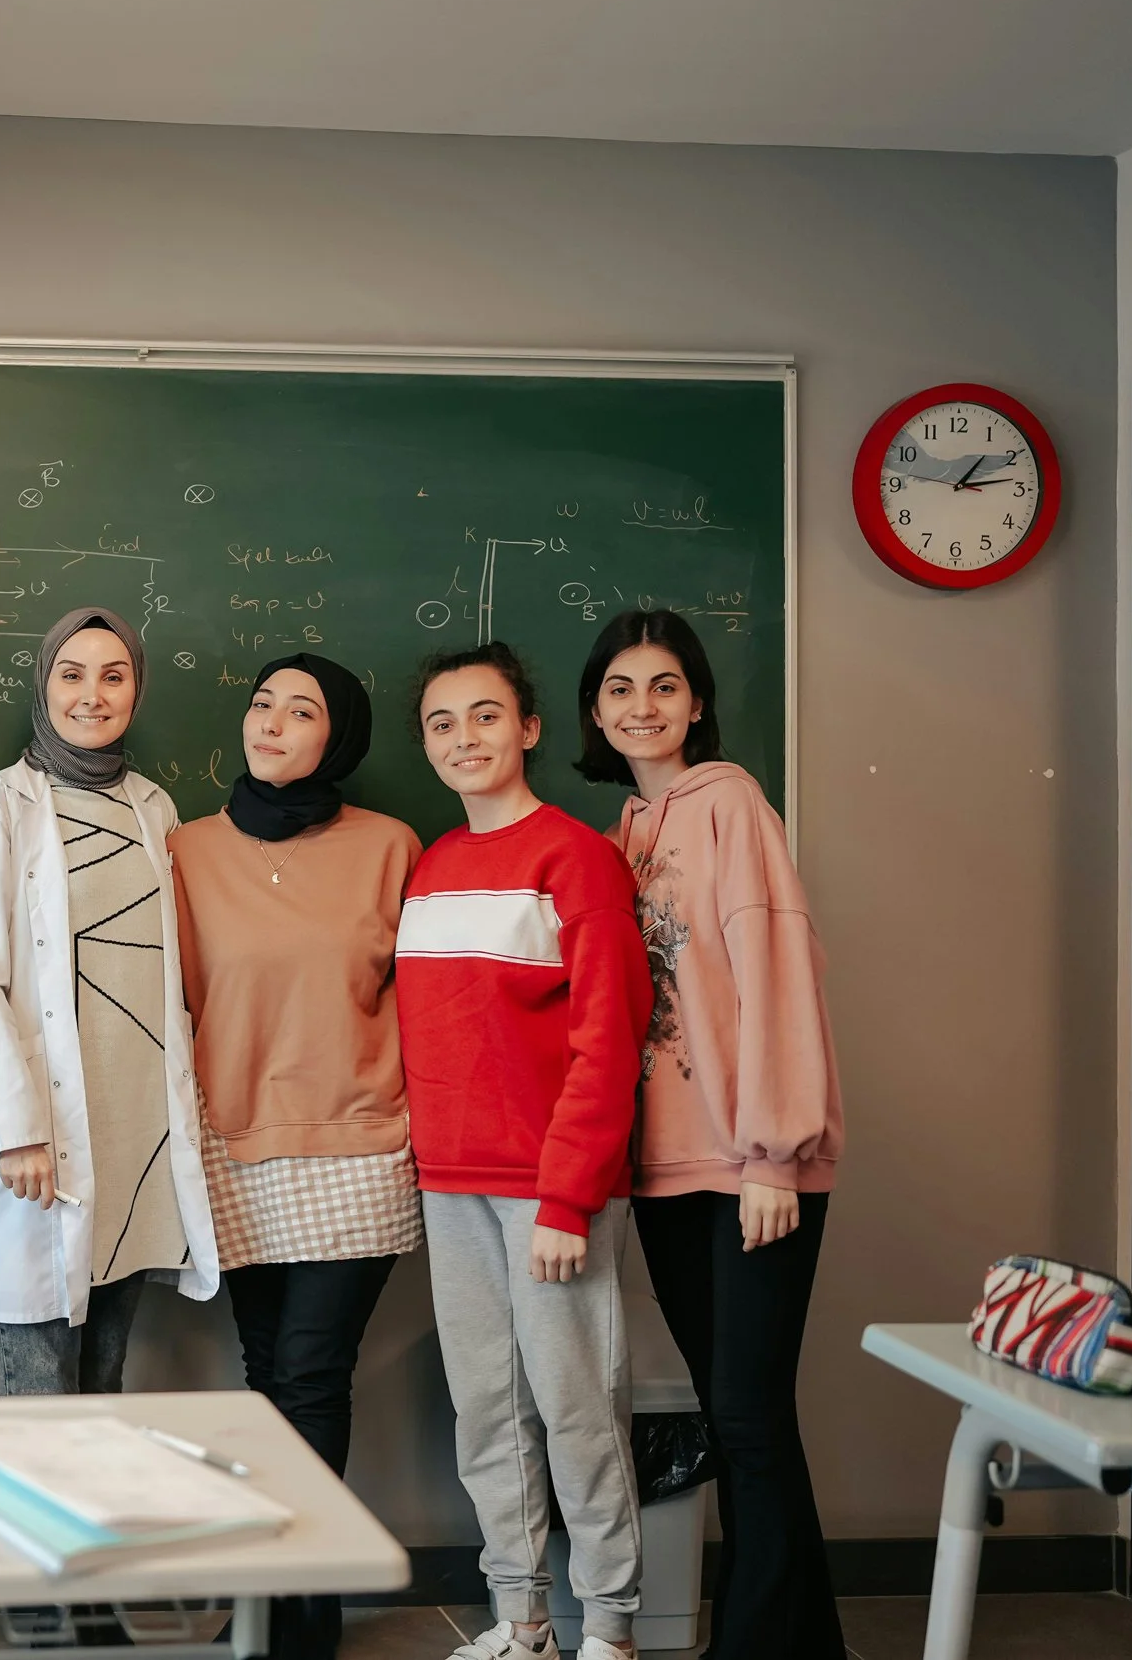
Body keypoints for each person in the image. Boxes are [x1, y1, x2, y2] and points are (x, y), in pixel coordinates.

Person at [575, 610, 846, 1660]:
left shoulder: (730, 803)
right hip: (664, 1169)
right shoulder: (615, 839)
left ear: (695, 702)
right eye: (620, 689)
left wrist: (773, 1153)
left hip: (751, 1166)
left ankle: (747, 1644)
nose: (642, 707)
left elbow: (780, 976)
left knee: (745, 1415)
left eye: (664, 686)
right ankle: (804, 1639)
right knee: (746, 1421)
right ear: (596, 710)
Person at [392, 641, 651, 1660]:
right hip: (450, 1182)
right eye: (443, 723)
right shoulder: (431, 864)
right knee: (486, 1411)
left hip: (550, 1188)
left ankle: (614, 1630)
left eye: (485, 715)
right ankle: (523, 1620)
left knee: (578, 1408)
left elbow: (608, 1035)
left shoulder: (575, 857)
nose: (465, 738)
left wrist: (567, 1197)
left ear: (529, 727)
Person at [169, 653, 421, 1660]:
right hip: (232, 1140)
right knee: (265, 1370)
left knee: (313, 1373)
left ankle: (296, 1614)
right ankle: (266, 1598)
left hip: (357, 1141)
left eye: (301, 708)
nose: (272, 720)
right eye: (261, 702)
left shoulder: (389, 846)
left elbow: (426, 1000)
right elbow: (174, 998)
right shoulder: (185, 848)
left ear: (339, 736)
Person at [0, 606, 219, 1399]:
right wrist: (21, 1130)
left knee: (103, 1390)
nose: (91, 695)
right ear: (44, 684)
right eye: (72, 674)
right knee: (39, 1401)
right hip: (38, 1152)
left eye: (114, 675)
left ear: (137, 689)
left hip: (132, 1144)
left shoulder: (155, 809)